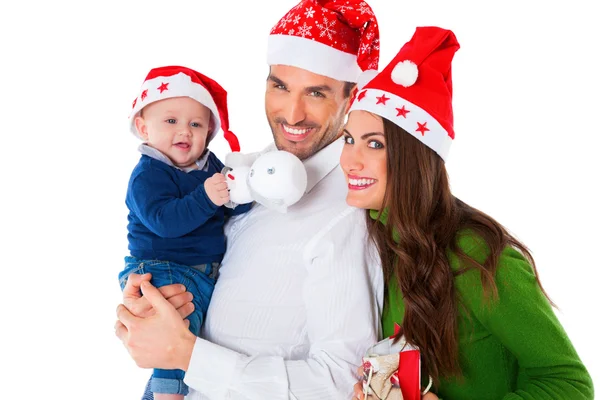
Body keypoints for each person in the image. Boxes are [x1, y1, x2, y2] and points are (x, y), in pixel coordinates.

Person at [115, 1, 385, 399]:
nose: (293, 112)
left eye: (316, 92)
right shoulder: (252, 175)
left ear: (350, 97)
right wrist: (145, 310)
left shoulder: (345, 216)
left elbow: (342, 382)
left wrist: (187, 354)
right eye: (280, 86)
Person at [342, 27, 594, 399]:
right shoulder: (376, 239)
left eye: (374, 144)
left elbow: (571, 385)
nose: (350, 161)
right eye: (348, 139)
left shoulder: (478, 255)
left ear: (415, 157)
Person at [121, 65, 252, 399]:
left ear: (209, 131)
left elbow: (231, 204)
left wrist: (246, 190)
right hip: (161, 269)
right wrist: (208, 196)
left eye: (196, 124)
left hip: (200, 274)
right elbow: (165, 221)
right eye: (171, 121)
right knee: (173, 340)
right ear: (143, 127)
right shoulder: (148, 174)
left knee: (189, 347)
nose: (185, 131)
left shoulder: (209, 166)